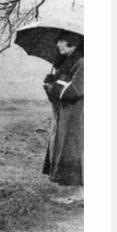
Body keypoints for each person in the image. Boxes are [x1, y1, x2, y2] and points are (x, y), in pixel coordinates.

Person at [42, 31, 84, 204]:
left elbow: (74, 90)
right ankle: (78, 192)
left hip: (77, 114)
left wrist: (53, 86)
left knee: (78, 149)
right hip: (66, 114)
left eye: (62, 41)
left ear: (72, 44)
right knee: (71, 148)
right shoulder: (67, 63)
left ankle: (81, 193)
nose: (58, 45)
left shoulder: (82, 63)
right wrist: (50, 84)